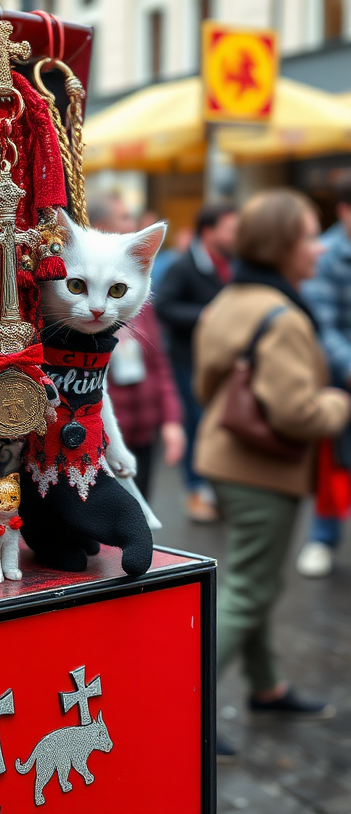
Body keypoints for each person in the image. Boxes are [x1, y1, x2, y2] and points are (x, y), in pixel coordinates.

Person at [193, 189, 350, 758]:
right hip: (263, 471)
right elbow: (297, 412)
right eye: (310, 234)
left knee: (253, 580)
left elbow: (206, 386)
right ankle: (189, 708)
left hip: (227, 459)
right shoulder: (282, 315)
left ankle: (267, 688)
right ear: (284, 244)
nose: (318, 246)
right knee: (250, 589)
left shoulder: (232, 298)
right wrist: (337, 402)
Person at [88, 194, 186, 497]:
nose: (133, 224)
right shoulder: (86, 300)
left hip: (144, 432)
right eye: (125, 217)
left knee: (141, 509)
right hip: (98, 437)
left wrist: (171, 420)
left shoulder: (135, 293)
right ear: (103, 227)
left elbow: (158, 362)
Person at [156, 202, 238, 522]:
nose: (237, 235)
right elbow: (165, 307)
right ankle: (196, 490)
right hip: (188, 360)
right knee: (194, 422)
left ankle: (216, 487)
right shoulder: (183, 265)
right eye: (231, 229)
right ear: (209, 231)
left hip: (224, 361)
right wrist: (205, 316)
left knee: (217, 424)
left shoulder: (233, 263)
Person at [297, 186, 351, 577]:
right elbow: (323, 325)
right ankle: (322, 539)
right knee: (333, 466)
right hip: (339, 380)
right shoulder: (326, 254)